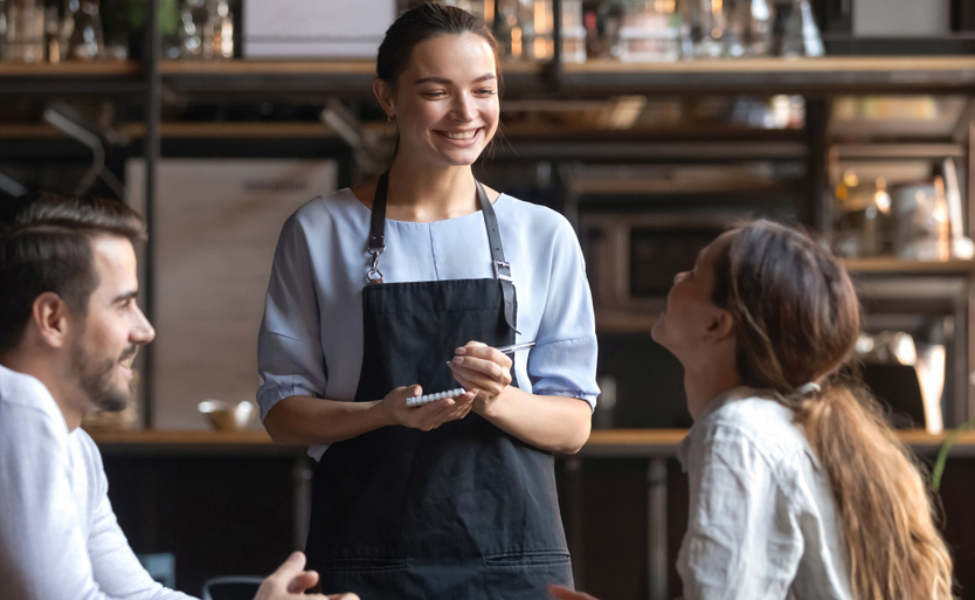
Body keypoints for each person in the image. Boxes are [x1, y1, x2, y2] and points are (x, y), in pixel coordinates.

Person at [0, 193, 356, 600]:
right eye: (124, 304)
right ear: (52, 318)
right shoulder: (5, 405)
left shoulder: (69, 443)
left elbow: (135, 594)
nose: (145, 329)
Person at [257, 5, 598, 599]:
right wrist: (381, 413)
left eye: (483, 90)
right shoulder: (319, 230)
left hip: (512, 562)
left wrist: (496, 398)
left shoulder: (542, 234)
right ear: (387, 97)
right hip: (366, 557)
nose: (466, 114)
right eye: (437, 92)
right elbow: (283, 412)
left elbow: (573, 423)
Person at [550, 220, 953, 600]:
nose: (676, 279)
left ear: (717, 325)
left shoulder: (737, 431)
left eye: (693, 274)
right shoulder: (782, 424)